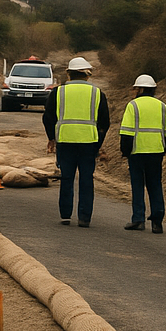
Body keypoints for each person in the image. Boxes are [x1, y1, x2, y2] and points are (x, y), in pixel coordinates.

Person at [43, 56, 109, 227]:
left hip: (65, 141)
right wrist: (98, 143)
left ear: (68, 74)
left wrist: (51, 138)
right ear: (88, 75)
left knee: (66, 178)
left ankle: (65, 214)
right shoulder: (97, 93)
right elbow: (104, 123)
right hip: (89, 143)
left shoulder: (58, 92)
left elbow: (48, 117)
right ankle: (84, 218)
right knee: (87, 179)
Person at [118, 73, 166, 234]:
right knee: (155, 185)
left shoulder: (133, 105)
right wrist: (163, 149)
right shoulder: (162, 106)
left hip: (136, 152)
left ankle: (138, 219)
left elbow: (126, 132)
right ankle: (157, 222)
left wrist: (125, 151)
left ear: (141, 88)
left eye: (136, 88)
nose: (134, 91)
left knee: (138, 186)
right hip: (156, 152)